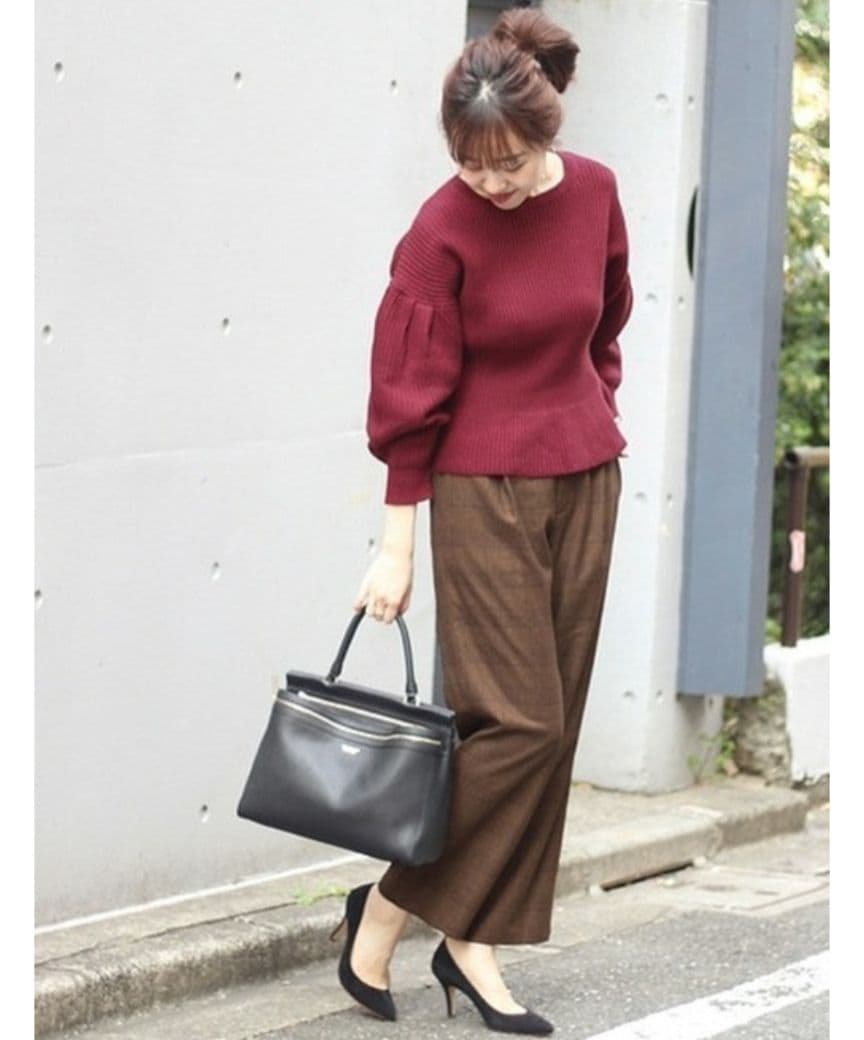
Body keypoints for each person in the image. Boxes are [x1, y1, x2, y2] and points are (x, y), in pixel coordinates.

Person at [334, 6, 633, 1034]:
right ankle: (388, 906)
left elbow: (607, 320)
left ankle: (472, 940)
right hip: (480, 484)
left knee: (552, 731)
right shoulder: (440, 229)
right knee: (520, 723)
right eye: (469, 163)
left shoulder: (595, 192)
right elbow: (406, 394)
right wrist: (397, 545)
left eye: (507, 163)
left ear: (547, 133)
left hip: (586, 472)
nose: (489, 183)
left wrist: (594, 409)